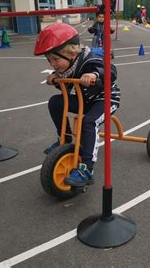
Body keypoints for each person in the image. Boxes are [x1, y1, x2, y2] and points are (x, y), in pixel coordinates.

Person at [34, 23, 120, 187]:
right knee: (55, 103)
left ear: (71, 53)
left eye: (55, 59)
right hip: (86, 99)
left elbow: (111, 71)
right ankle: (65, 138)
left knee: (89, 122)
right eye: (49, 60)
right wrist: (56, 79)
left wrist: (94, 74)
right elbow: (65, 86)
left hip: (105, 99)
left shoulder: (90, 59)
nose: (52, 64)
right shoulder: (66, 67)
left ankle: (86, 169)